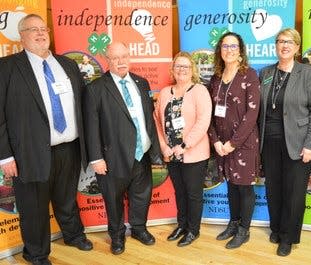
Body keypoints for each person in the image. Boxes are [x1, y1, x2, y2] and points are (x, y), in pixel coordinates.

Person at [0, 14, 93, 265]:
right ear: (22, 36)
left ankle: (73, 234)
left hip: (69, 148)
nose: (40, 33)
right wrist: (5, 155)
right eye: (33, 29)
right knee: (33, 206)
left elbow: (82, 106)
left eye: (44, 29)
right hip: (28, 152)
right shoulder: (6, 67)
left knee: (66, 198)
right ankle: (36, 253)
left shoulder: (67, 65)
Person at [83, 41, 162, 255]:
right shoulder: (95, 89)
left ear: (129, 57)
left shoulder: (142, 83)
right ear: (107, 61)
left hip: (141, 154)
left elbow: (148, 119)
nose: (121, 62)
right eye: (115, 58)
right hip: (112, 158)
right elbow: (91, 127)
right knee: (113, 199)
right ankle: (117, 236)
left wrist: (154, 149)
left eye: (124, 56)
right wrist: (96, 158)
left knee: (141, 195)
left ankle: (138, 229)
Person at [258, 28, 311, 256]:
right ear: (275, 46)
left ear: (296, 47)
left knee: (294, 193)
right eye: (280, 41)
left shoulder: (307, 73)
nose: (284, 45)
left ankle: (288, 237)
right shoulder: (265, 73)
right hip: (269, 143)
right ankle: (276, 228)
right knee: (273, 189)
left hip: (299, 144)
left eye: (289, 42)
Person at [208, 32, 260, 249]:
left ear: (240, 51)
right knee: (230, 186)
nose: (229, 50)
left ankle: (243, 230)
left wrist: (232, 143)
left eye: (233, 46)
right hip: (221, 145)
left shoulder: (249, 75)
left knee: (244, 188)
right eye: (225, 46)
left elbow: (252, 114)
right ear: (220, 50)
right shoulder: (215, 78)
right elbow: (209, 113)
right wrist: (216, 141)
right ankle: (233, 222)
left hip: (244, 144)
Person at [154, 51, 212, 247]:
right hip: (171, 156)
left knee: (193, 193)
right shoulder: (164, 93)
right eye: (178, 66)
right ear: (172, 70)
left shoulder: (199, 91)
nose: (182, 70)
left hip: (193, 154)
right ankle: (182, 225)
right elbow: (157, 123)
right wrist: (164, 147)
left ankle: (193, 230)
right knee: (180, 192)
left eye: (186, 66)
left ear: (192, 70)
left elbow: (203, 121)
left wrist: (185, 146)